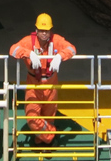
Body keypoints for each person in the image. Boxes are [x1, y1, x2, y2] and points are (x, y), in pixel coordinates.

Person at [9, 13, 77, 146]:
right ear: (36, 30)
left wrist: (60, 56)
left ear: (50, 30)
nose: (44, 34)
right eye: (41, 30)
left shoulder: (56, 40)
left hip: (51, 84)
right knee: (32, 117)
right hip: (34, 84)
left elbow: (72, 49)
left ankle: (42, 141)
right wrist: (29, 53)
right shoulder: (28, 41)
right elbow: (13, 50)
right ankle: (51, 136)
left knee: (49, 116)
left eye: (46, 31)